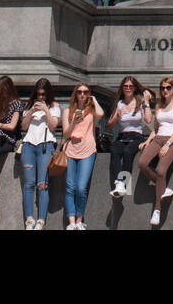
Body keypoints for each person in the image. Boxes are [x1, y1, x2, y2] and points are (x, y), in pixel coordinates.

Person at [137, 77, 173, 225]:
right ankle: (163, 188)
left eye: (168, 88)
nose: (165, 90)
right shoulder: (159, 106)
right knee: (142, 163)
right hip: (158, 138)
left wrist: (168, 144)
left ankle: (157, 210)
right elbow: (156, 129)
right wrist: (148, 140)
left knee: (161, 171)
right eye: (163, 88)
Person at [20, 78, 62, 229]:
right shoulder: (29, 106)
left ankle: (41, 220)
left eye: (44, 94)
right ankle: (29, 218)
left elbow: (53, 126)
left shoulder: (54, 106)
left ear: (48, 94)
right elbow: (24, 127)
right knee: (29, 183)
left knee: (43, 184)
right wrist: (31, 111)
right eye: (38, 94)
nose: (41, 97)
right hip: (29, 145)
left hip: (45, 145)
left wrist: (45, 110)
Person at [62, 83, 104, 230]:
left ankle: (80, 220)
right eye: (79, 92)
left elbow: (101, 114)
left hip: (87, 150)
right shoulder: (68, 111)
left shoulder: (92, 110)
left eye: (85, 92)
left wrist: (94, 100)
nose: (82, 94)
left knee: (81, 187)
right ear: (75, 94)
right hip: (71, 151)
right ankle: (72, 222)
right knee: (69, 187)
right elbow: (66, 134)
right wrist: (74, 122)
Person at [107, 76, 151, 198]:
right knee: (115, 150)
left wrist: (146, 102)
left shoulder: (139, 102)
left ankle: (123, 182)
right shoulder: (119, 103)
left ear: (135, 88)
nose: (128, 88)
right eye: (125, 86)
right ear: (122, 88)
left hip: (136, 136)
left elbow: (148, 119)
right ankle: (119, 182)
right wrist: (117, 115)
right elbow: (110, 125)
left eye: (130, 86)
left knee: (127, 152)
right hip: (122, 136)